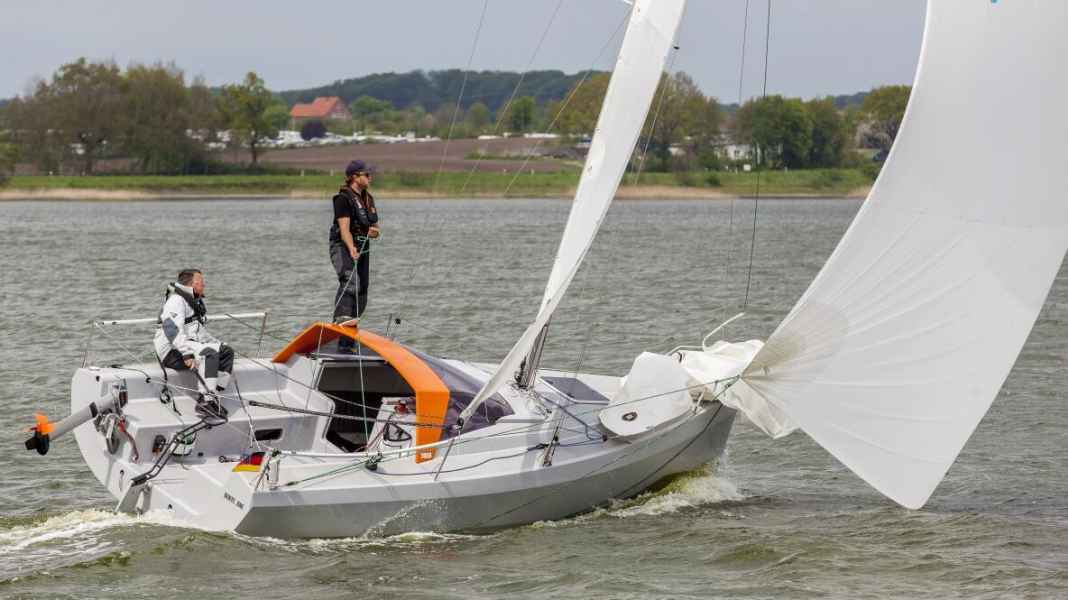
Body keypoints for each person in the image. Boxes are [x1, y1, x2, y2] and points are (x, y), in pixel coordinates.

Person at [153, 269, 233, 418]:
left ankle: (214, 393)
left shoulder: (192, 302)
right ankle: (205, 402)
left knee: (226, 352)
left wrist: (219, 343)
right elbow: (171, 328)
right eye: (201, 282)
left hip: (187, 344)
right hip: (171, 350)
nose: (204, 285)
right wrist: (186, 353)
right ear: (191, 284)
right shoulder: (176, 300)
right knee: (210, 353)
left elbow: (197, 331)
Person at [329, 160, 380, 347]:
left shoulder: (369, 199)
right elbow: (344, 229)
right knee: (351, 281)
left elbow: (375, 228)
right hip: (343, 245)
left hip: (363, 247)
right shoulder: (342, 199)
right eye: (367, 174)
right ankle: (338, 321)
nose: (370, 177)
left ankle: (347, 340)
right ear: (354, 177)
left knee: (362, 291)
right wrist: (351, 248)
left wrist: (374, 232)